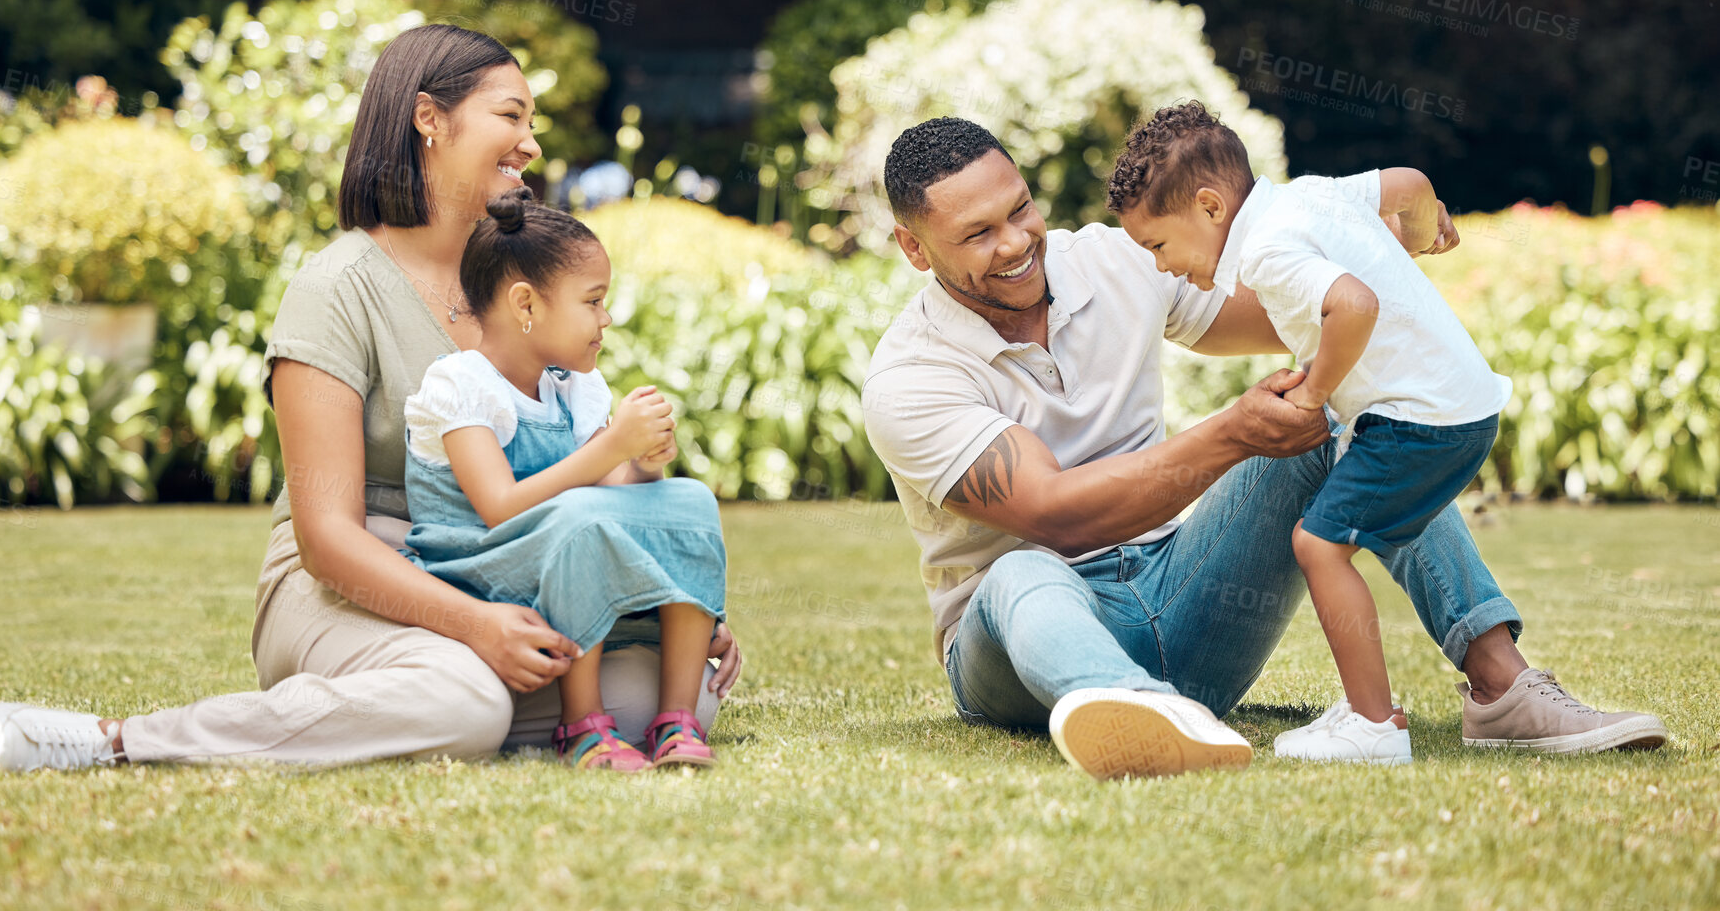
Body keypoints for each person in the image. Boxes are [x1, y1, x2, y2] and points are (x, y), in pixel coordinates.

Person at [0, 23, 741, 774]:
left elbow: (577, 482)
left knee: (671, 697)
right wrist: (473, 624)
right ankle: (117, 740)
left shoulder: (514, 287)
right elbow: (325, 538)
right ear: (428, 118)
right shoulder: (337, 287)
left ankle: (398, 710)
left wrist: (671, 594)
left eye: (530, 122)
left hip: (497, 565)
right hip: (348, 580)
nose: (531, 143)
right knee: (466, 700)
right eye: (510, 116)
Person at [860, 114, 1666, 781]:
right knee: (1017, 570)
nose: (1015, 241)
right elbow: (1056, 516)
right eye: (977, 233)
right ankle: (1129, 706)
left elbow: (1280, 308)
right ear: (914, 247)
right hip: (1020, 646)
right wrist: (1229, 432)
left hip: (1186, 599)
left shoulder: (1112, 258)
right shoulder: (911, 373)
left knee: (1365, 428)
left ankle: (1502, 687)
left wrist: (1352, 260)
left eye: (1019, 209)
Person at [1110, 101, 1666, 763]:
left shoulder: (1263, 249)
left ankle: (1371, 724)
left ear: (1208, 207)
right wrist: (1424, 230)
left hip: (1415, 420)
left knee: (1318, 546)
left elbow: (1354, 303)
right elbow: (1406, 182)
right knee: (1347, 486)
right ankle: (1490, 695)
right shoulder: (1309, 195)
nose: (1160, 267)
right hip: (1465, 407)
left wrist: (1314, 389)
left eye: (1157, 246)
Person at [400, 189, 725, 771]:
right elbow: (501, 508)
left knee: (689, 500)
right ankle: (581, 725)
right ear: (526, 304)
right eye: (594, 301)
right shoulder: (458, 385)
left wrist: (643, 462)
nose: (605, 319)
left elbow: (608, 486)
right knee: (580, 516)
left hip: (558, 555)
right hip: (474, 568)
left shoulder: (572, 388)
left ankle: (676, 718)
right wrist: (611, 446)